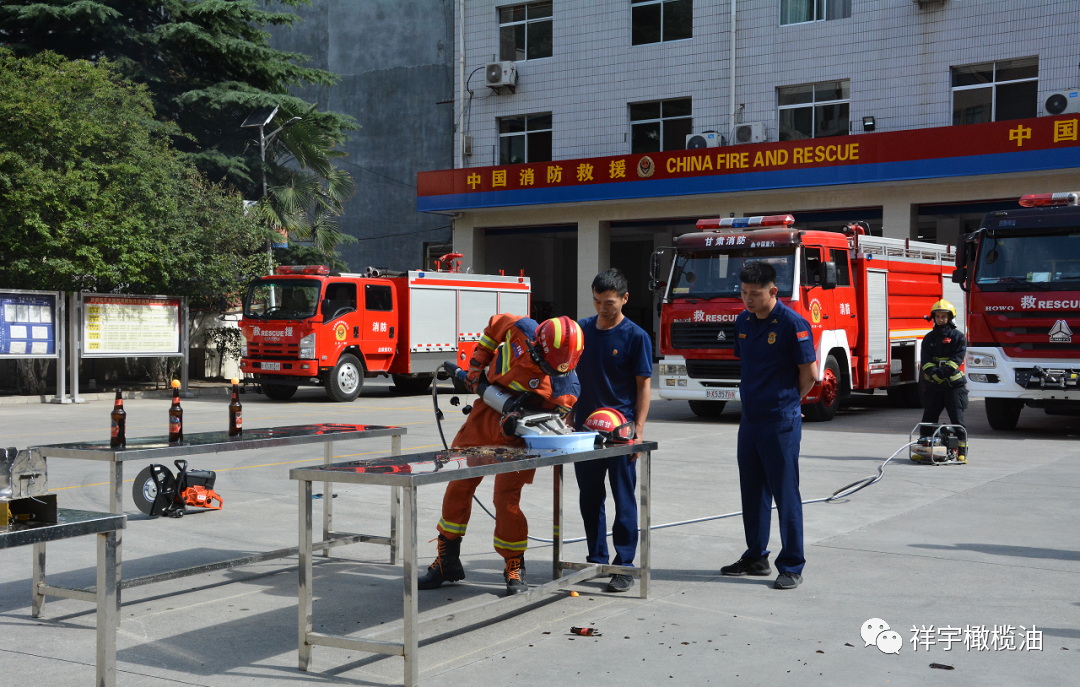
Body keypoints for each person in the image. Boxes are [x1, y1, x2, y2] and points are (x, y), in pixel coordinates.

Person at [418, 313, 583, 596]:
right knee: (459, 485)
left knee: (506, 499)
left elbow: (551, 424)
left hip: (517, 439)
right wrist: (476, 366)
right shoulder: (521, 327)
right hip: (482, 418)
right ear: (537, 344)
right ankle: (447, 560)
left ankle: (514, 565)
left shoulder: (564, 388)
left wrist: (522, 420)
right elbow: (493, 331)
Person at [720, 261, 817, 590]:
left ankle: (791, 564)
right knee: (752, 491)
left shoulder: (792, 324)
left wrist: (788, 403)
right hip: (750, 420)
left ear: (773, 291)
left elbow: (810, 374)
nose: (748, 299)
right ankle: (756, 556)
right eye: (744, 293)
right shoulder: (743, 322)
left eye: (755, 294)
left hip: (779, 421)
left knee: (785, 494)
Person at [574, 268, 653, 593]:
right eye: (597, 301)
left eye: (609, 302)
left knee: (624, 499)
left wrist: (638, 431)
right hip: (584, 433)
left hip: (620, 434)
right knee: (590, 498)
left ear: (624, 299)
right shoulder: (581, 331)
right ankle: (597, 559)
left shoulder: (636, 336)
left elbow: (643, 387)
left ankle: (624, 565)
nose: (602, 308)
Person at [918, 300, 968, 462]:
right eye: (938, 316)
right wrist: (933, 373)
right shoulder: (929, 338)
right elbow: (925, 360)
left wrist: (941, 373)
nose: (940, 319)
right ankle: (924, 449)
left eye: (944, 316)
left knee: (957, 420)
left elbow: (957, 359)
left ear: (950, 318)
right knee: (928, 419)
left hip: (953, 386)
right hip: (934, 386)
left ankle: (961, 451)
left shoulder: (958, 337)